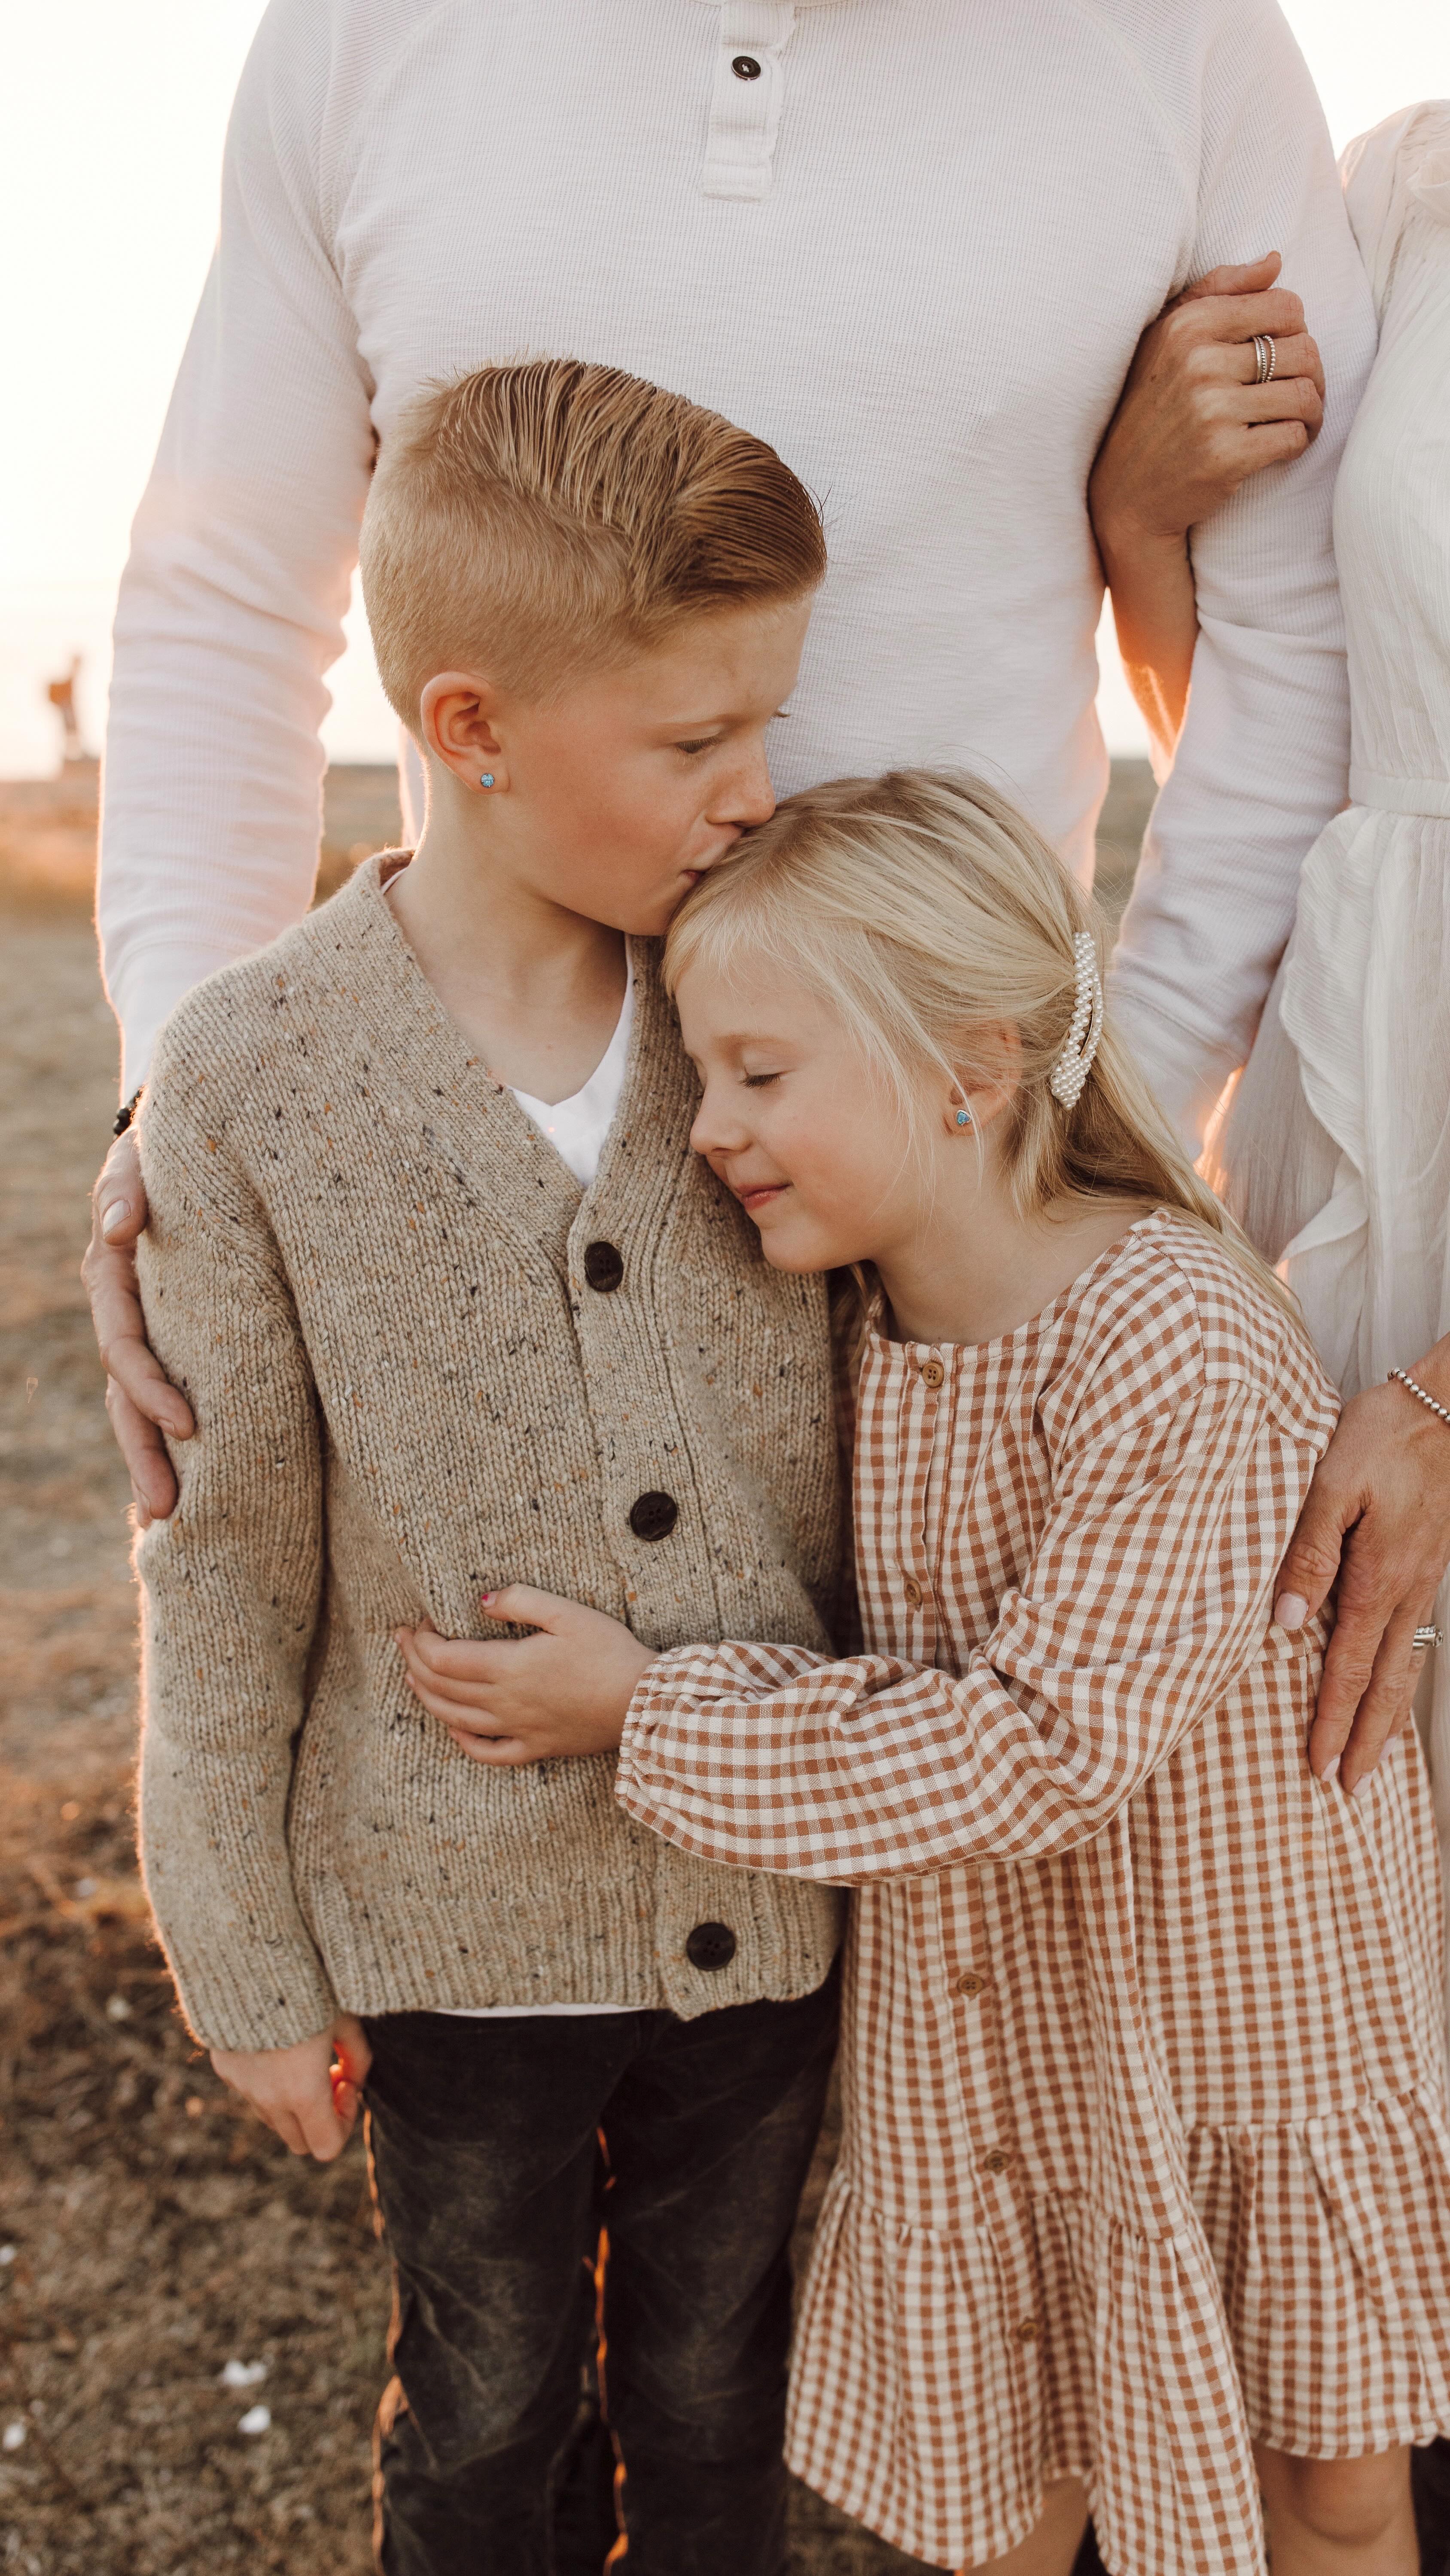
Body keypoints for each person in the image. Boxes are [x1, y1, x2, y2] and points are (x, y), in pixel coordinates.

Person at [92, 2, 1444, 1781]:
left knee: (985, 1822)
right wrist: (182, 1105)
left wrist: (1070, 1115)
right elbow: (228, 595)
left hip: (958, 1182)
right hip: (479, 1148)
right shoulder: (363, 33)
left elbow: (1294, 652)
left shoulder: (1184, 40)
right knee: (455, 1788)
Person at [399, 769, 1450, 2576]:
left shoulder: (1174, 1335)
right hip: (996, 2013)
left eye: (758, 1072)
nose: (711, 1129)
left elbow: (1041, 1750)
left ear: (969, 1066)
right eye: (702, 1077)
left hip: (1237, 2006)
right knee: (1008, 2476)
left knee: (1328, 2487)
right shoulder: (856, 1327)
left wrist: (646, 1710)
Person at [132, 359, 850, 2576]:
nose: (757, 788)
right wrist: (245, 1956)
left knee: (722, 2411)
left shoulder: (775, 1004)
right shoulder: (254, 1075)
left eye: (766, 725)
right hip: (455, 1951)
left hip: (766, 1913)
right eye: (696, 741)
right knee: (482, 2423)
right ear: (471, 730)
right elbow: (224, 1558)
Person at [1091, 105, 1450, 2007]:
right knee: (1339, 1914)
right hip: (1349, 1106)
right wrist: (1140, 524)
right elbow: (1274, 739)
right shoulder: (1396, 193)